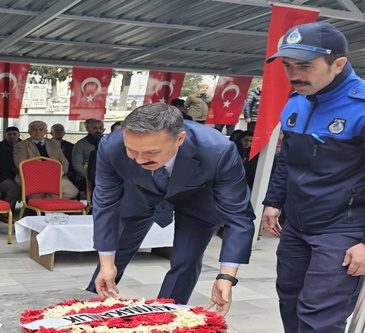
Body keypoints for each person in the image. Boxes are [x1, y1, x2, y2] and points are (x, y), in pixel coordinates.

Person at [262, 22, 365, 333]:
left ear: (338, 64)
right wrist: (273, 201)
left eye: (305, 65)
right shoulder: (297, 102)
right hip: (296, 224)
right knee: (290, 298)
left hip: (343, 228)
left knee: (319, 312)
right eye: (288, 65)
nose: (294, 75)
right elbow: (287, 159)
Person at [87, 103, 255, 315]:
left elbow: (238, 215)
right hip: (141, 192)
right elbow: (106, 203)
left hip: (197, 196)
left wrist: (226, 276)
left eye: (151, 152)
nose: (139, 160)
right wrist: (106, 262)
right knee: (116, 249)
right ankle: (91, 308)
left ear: (180, 139)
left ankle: (164, 315)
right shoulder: (111, 146)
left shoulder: (218, 150)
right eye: (132, 151)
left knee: (186, 259)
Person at [13, 120, 79, 200]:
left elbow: (64, 162)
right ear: (29, 132)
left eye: (41, 129)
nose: (38, 132)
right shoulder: (21, 145)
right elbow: (20, 164)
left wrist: (59, 173)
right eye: (34, 130)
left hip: (55, 176)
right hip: (33, 178)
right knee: (35, 199)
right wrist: (42, 174)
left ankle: (47, 202)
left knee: (72, 192)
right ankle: (44, 204)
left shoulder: (55, 143)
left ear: (46, 131)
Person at [71, 119, 105, 191]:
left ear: (103, 130)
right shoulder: (80, 145)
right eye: (95, 128)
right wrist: (88, 175)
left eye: (100, 128)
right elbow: (76, 164)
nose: (98, 130)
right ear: (88, 129)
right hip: (85, 177)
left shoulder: (108, 143)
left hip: (106, 176)